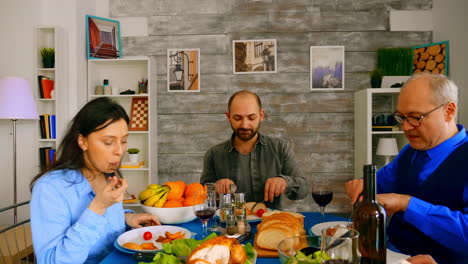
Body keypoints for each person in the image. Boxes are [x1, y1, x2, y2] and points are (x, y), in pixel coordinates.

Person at [346, 73, 468, 264]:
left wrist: (407, 203)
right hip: (391, 254)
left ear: (449, 111)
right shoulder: (409, 152)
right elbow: (380, 184)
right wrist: (363, 185)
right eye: (401, 117)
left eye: (415, 117)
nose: (405, 127)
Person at [30, 97, 160, 264]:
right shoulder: (49, 188)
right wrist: (98, 206)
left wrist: (127, 219)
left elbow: (106, 224)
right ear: (83, 141)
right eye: (108, 142)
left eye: (124, 141)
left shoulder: (106, 174)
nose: (120, 151)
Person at [200, 90, 308, 209]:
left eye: (251, 118)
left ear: (261, 116)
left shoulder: (280, 148)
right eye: (237, 118)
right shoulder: (214, 154)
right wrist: (214, 188)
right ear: (228, 117)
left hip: (270, 222)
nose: (245, 125)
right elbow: (200, 195)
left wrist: (285, 182)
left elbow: (303, 190)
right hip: (229, 225)